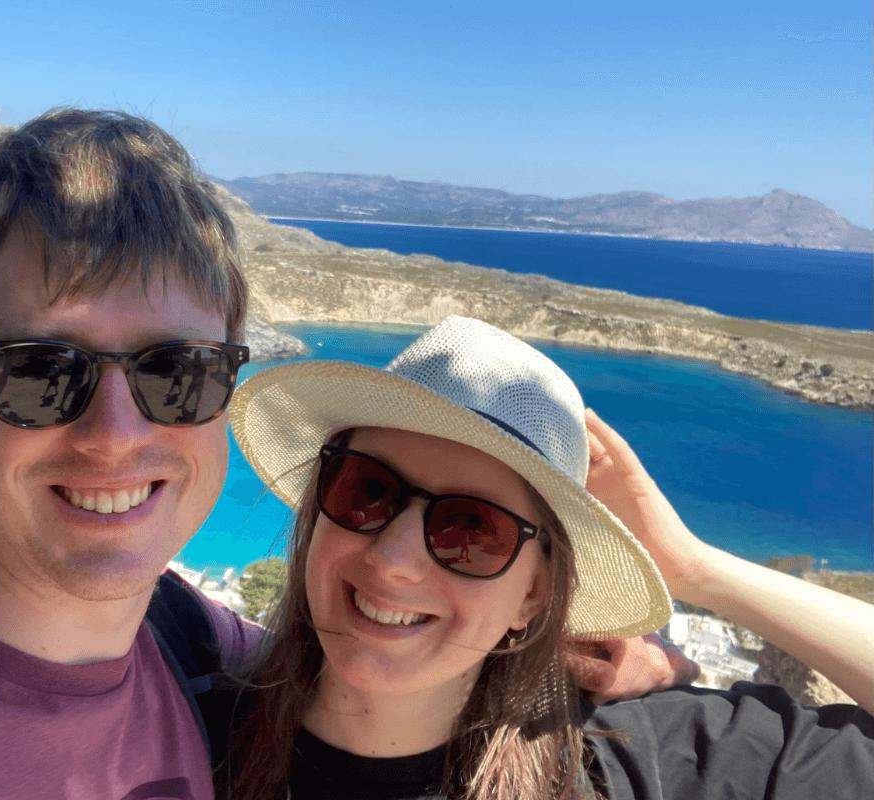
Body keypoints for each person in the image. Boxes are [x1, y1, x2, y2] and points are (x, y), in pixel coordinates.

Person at [0, 111, 692, 799]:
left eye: (177, 372)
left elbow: (366, 653)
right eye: (42, 370)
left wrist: (558, 646)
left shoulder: (187, 640)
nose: (117, 434)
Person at [222, 315, 874, 799]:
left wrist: (693, 568)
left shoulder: (639, 763)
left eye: (472, 529)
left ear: (535, 595)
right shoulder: (178, 728)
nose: (394, 560)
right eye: (366, 491)